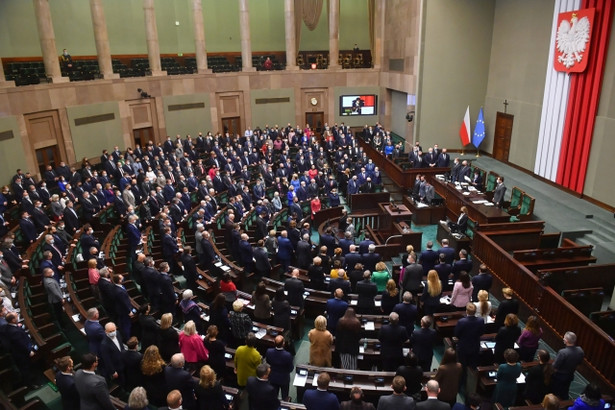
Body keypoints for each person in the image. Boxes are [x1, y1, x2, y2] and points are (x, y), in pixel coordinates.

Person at [551, 331, 584, 399]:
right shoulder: (580, 350)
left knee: (555, 392)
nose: (563, 339)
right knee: (565, 391)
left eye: (564, 338)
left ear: (566, 340)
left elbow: (555, 366)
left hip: (559, 376)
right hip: (570, 375)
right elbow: (579, 364)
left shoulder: (563, 352)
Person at [454, 303, 485, 369]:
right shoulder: (480, 320)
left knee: (462, 366)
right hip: (475, 346)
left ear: (466, 311)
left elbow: (456, 334)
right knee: (473, 366)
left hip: (463, 347)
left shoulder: (461, 321)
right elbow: (482, 332)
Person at [265, 335, 294, 401]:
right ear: (283, 343)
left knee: (274, 396)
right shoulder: (287, 355)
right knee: (285, 396)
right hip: (284, 379)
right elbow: (291, 369)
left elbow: (268, 362)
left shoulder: (269, 351)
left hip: (273, 377)